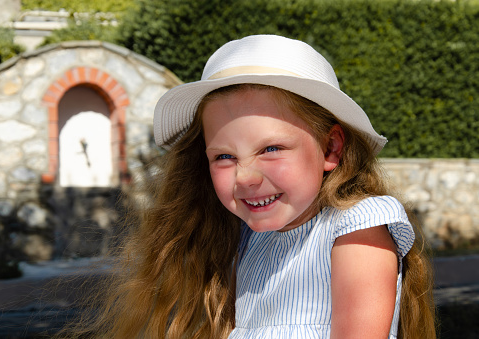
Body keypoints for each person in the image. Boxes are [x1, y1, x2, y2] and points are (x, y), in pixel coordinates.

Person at [70, 35, 435, 338]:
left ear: (330, 148)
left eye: (271, 148)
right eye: (224, 157)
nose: (245, 176)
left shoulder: (359, 223)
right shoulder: (246, 241)